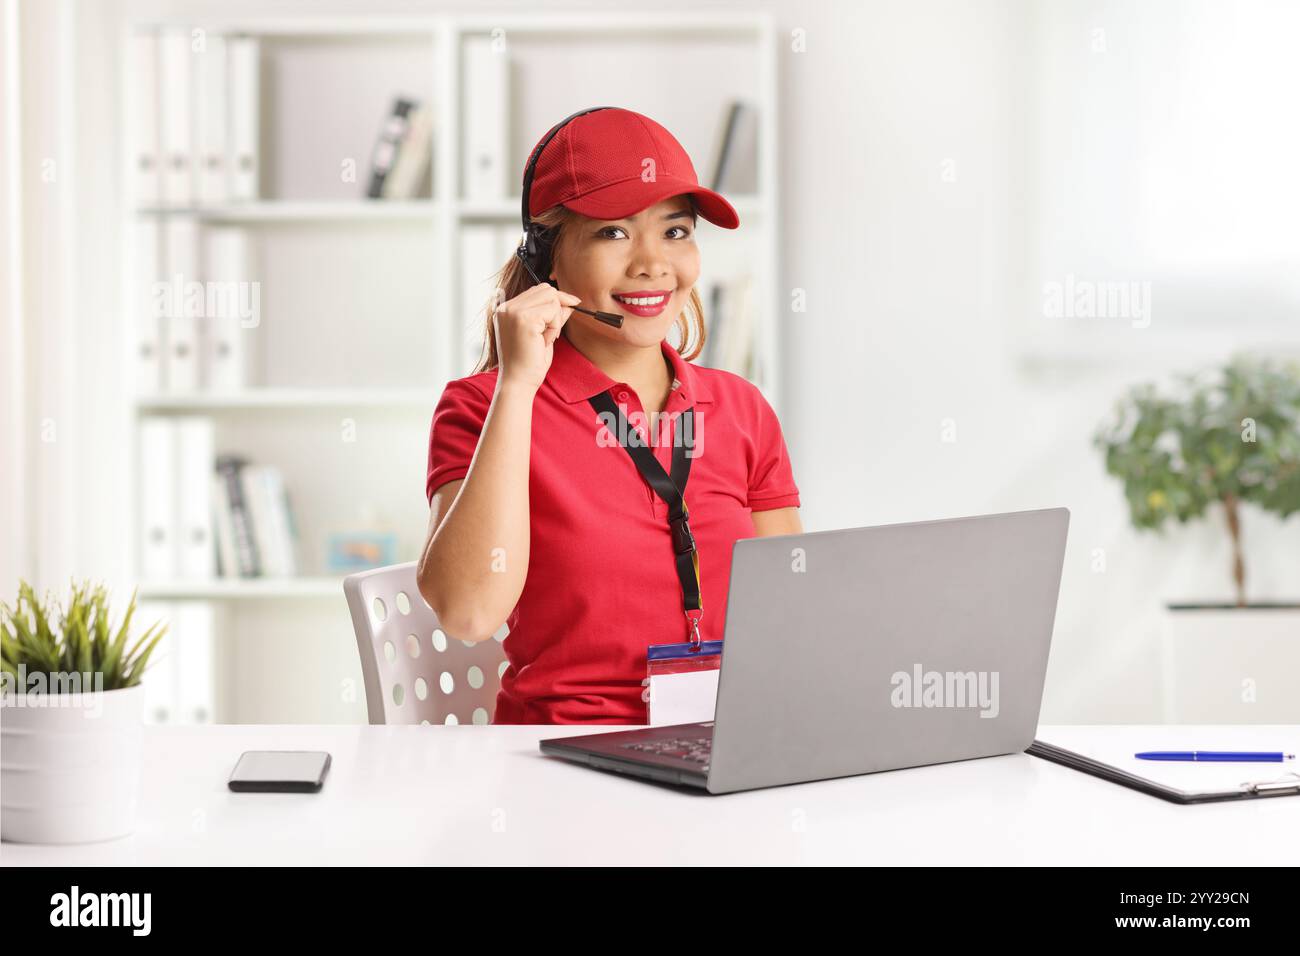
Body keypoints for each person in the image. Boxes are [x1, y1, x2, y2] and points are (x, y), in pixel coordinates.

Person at [418, 107, 801, 723]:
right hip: (563, 766)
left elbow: (794, 610)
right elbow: (468, 612)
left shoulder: (741, 409)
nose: (653, 263)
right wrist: (518, 386)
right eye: (613, 233)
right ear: (548, 257)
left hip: (727, 747)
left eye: (675, 232)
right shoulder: (483, 406)